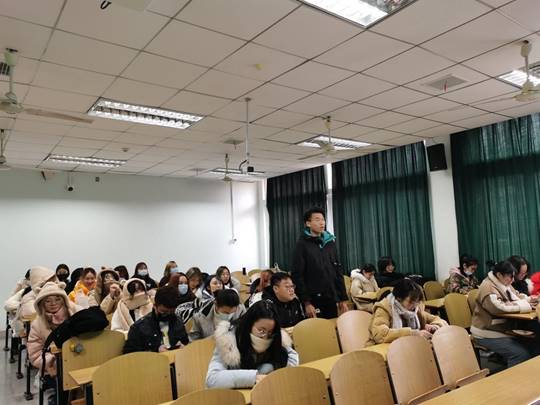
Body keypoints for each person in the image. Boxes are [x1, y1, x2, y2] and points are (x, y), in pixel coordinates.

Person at [206, 300, 299, 389]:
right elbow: (212, 379)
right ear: (249, 325)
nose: (265, 337)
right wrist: (253, 377)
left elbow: (292, 357)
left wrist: (270, 371)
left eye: (270, 332)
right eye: (261, 330)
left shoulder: (276, 338)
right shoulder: (229, 339)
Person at [472, 260, 539, 367]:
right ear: (499, 275)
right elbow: (498, 307)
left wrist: (531, 299)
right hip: (487, 332)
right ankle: (514, 377)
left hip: (503, 329)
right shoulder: (488, 287)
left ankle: (527, 374)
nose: (513, 280)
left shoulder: (503, 283)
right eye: (510, 276)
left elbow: (516, 295)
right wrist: (524, 306)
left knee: (535, 346)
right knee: (520, 354)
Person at [291, 207, 348, 319]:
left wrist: (342, 298)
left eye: (323, 219)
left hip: (330, 297)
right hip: (313, 299)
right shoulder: (302, 245)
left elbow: (337, 271)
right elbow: (297, 275)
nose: (322, 223)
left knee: (331, 327)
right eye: (317, 220)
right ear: (308, 223)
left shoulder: (330, 243)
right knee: (317, 328)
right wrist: (306, 302)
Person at [369, 278, 447, 345]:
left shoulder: (416, 310)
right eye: (411, 302)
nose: (415, 305)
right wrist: (412, 333)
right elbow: (380, 335)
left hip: (408, 347)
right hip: (385, 350)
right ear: (399, 298)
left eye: (417, 302)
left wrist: (434, 326)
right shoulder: (384, 308)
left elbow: (438, 320)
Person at [27, 281, 80, 377]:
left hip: (80, 358)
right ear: (42, 303)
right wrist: (52, 361)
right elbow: (35, 354)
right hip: (54, 368)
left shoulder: (75, 312)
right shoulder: (37, 324)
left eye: (57, 299)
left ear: (63, 300)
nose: (53, 303)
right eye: (47, 301)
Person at [123, 286, 189, 353]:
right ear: (155, 306)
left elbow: (186, 342)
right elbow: (130, 355)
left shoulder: (178, 322)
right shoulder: (138, 328)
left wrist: (184, 347)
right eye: (164, 312)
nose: (167, 315)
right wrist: (156, 351)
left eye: (171, 312)